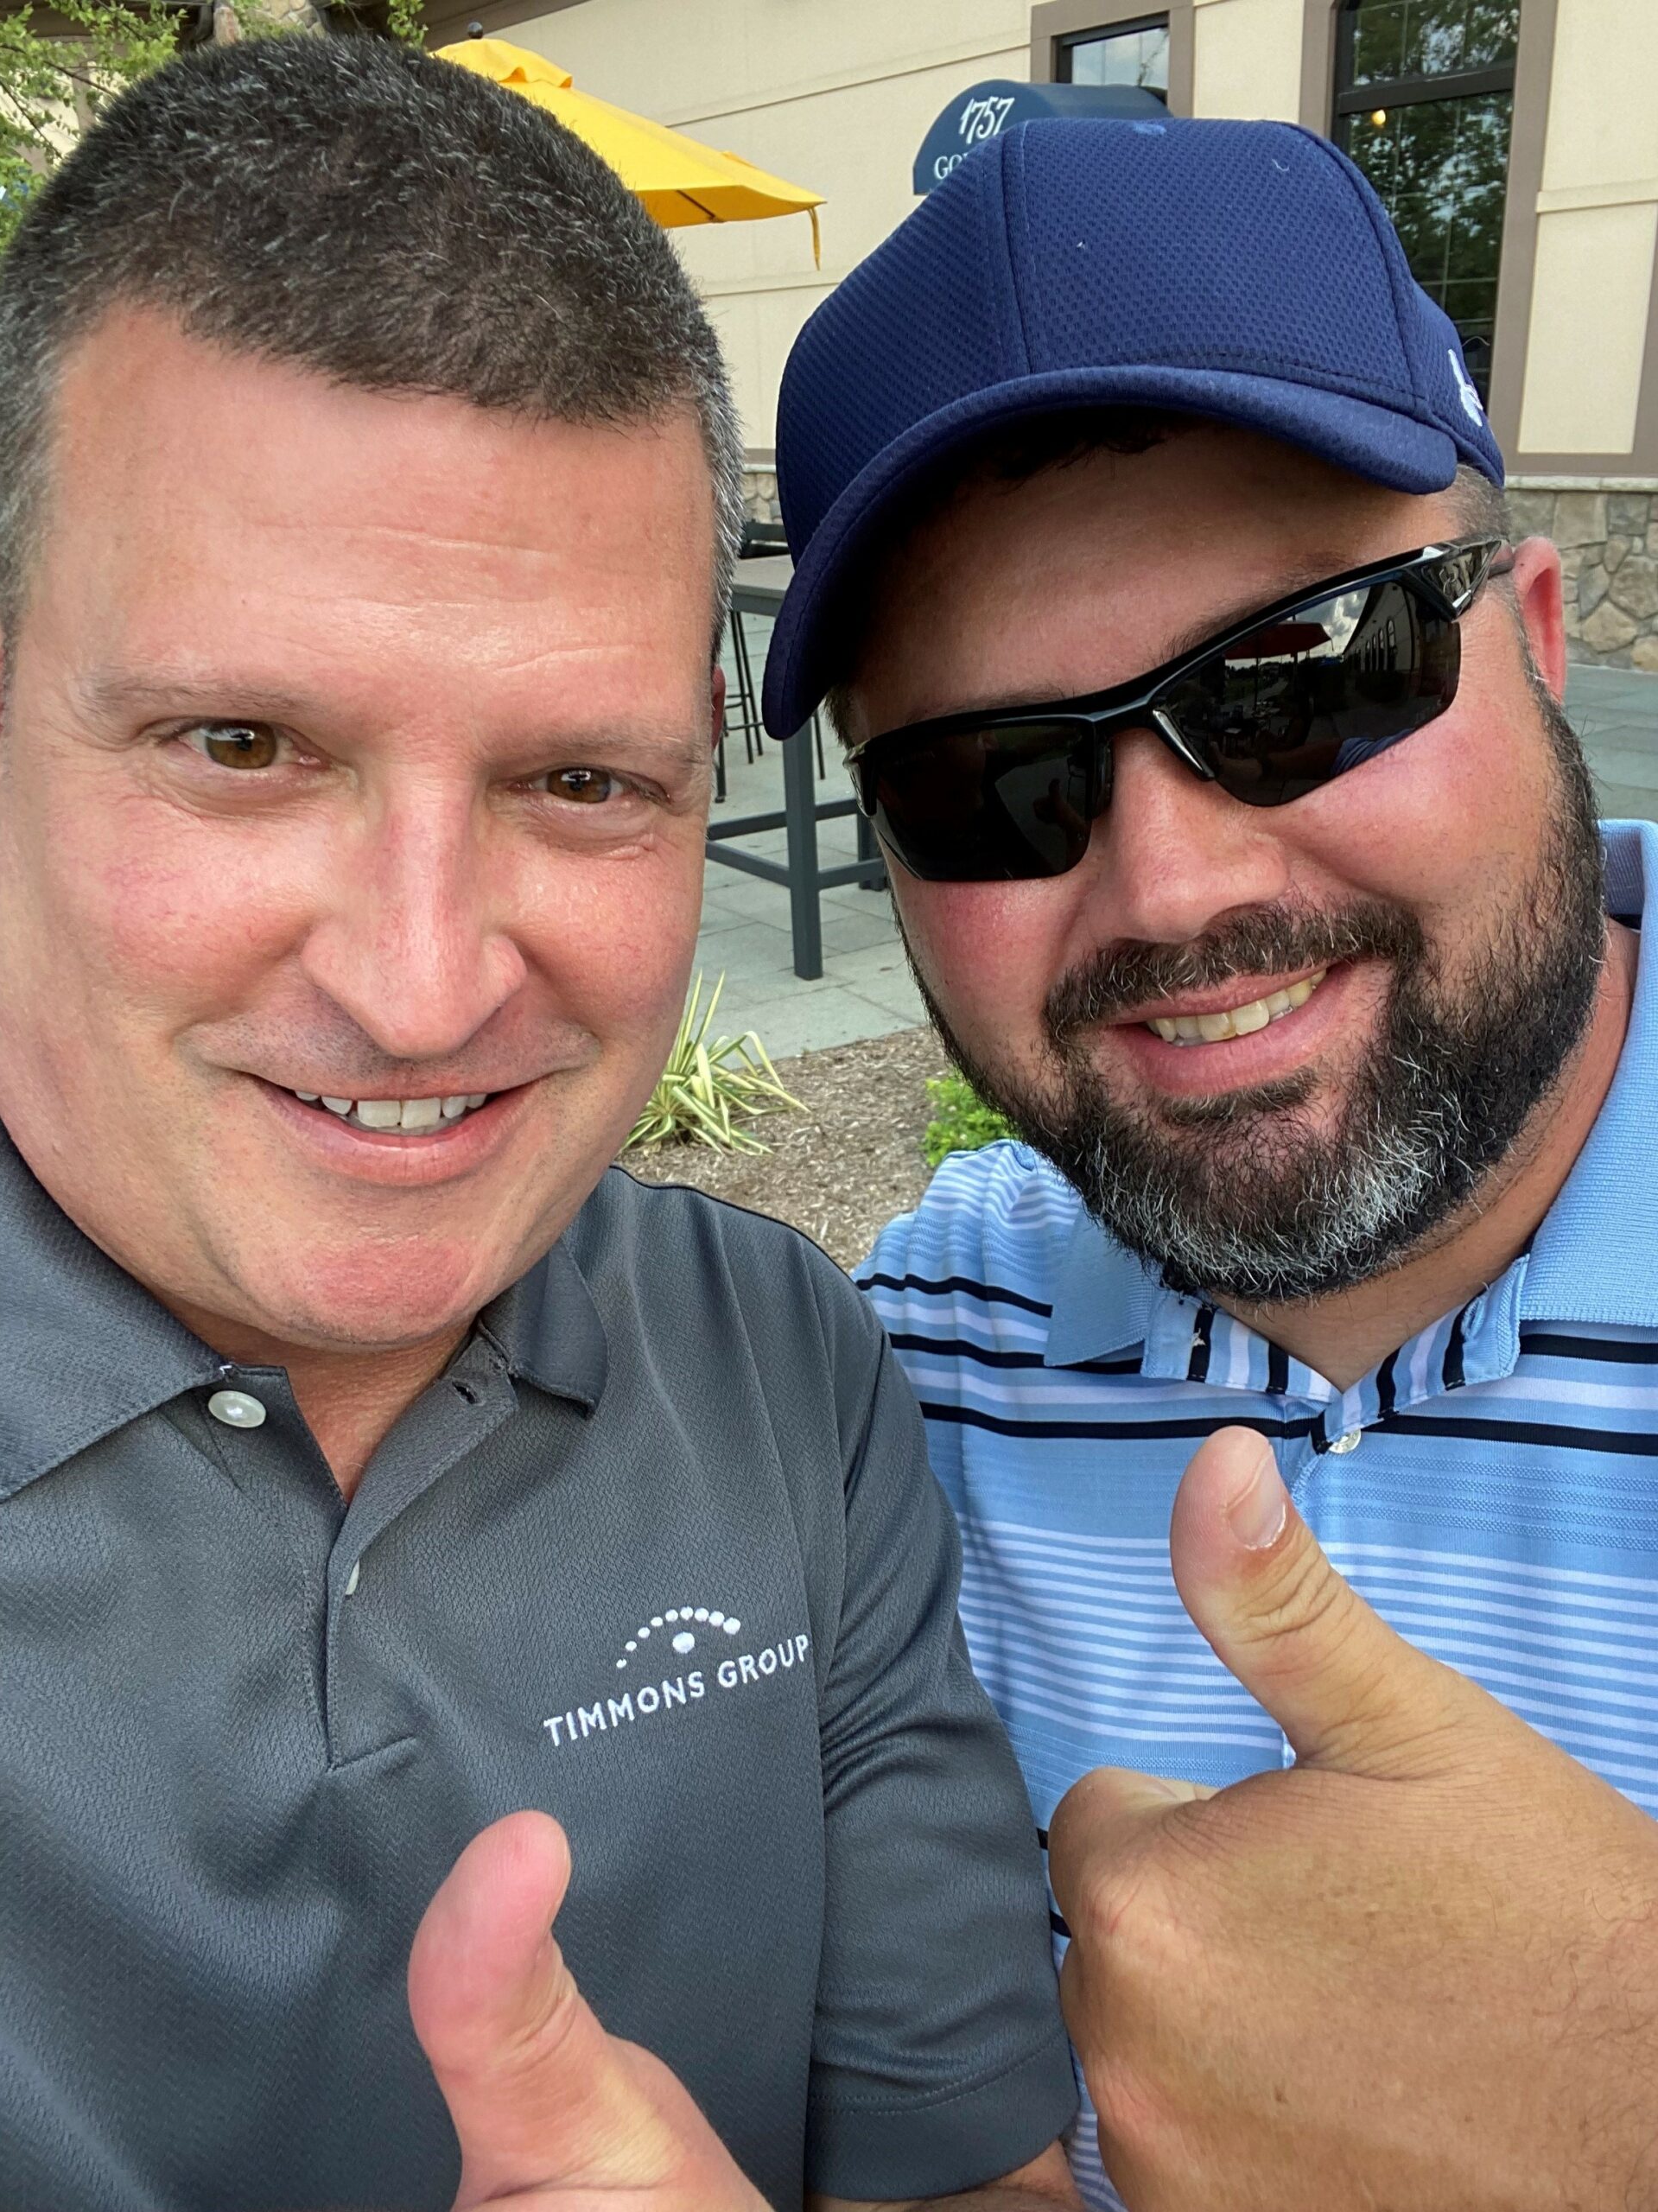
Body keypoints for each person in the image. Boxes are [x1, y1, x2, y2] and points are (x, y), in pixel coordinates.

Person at [0, 38, 1083, 2212]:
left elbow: (969, 2172)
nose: (424, 982)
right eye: (241, 740)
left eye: (583, 780)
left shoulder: (777, 1362)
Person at [764, 115, 1658, 2210]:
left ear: (1535, 633)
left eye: (1305, 677)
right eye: (1001, 782)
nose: (1168, 886)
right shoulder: (902, 1376)